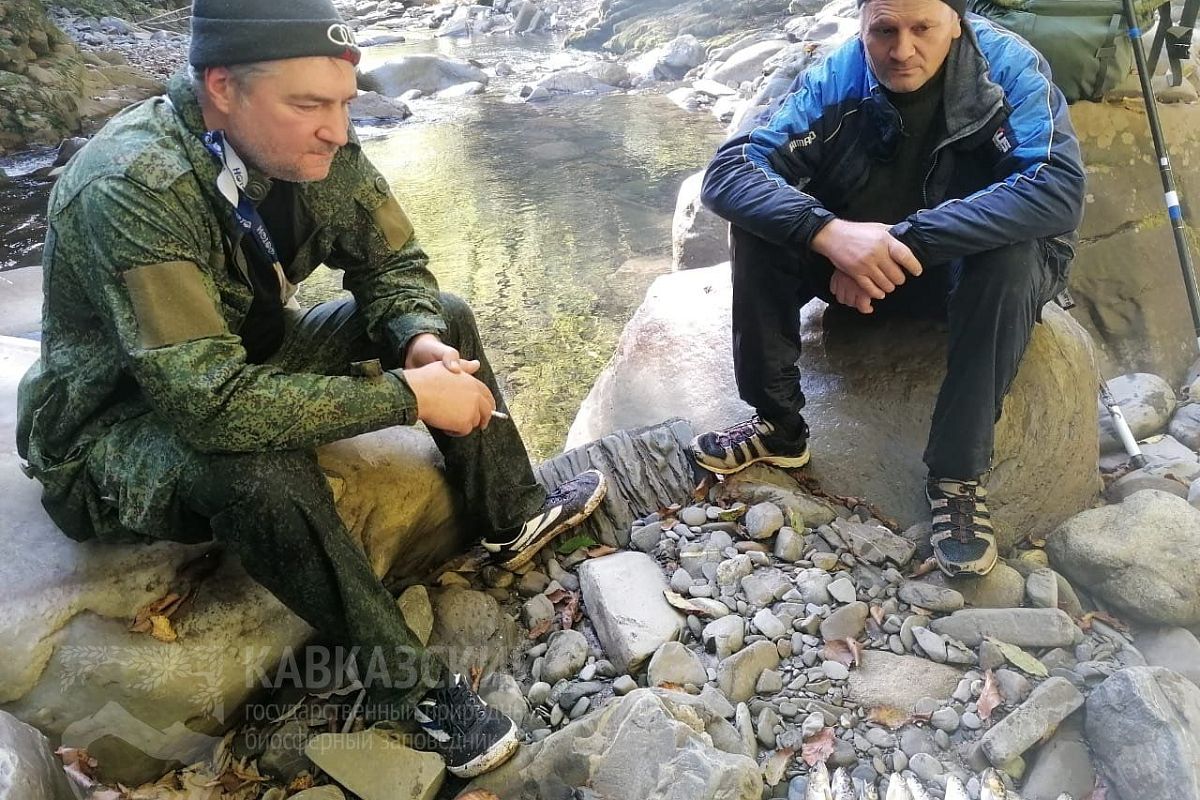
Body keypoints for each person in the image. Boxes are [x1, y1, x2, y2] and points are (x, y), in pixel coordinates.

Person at [15, 0, 607, 779]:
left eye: (344, 103)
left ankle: (510, 514)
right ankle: (407, 686)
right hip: (114, 426)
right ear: (222, 88)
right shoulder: (133, 185)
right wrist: (409, 397)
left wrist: (417, 339)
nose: (336, 128)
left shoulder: (315, 144)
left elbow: (391, 267)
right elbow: (211, 406)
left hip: (249, 358)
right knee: (254, 466)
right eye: (308, 105)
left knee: (449, 316)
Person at [689, 0, 1086, 577]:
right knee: (757, 224)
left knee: (1012, 254)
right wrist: (828, 236)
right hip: (858, 264)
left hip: (964, 269)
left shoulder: (1008, 68)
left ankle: (957, 479)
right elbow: (731, 172)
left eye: (923, 28)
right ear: (862, 25)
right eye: (885, 30)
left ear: (956, 20)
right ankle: (778, 425)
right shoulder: (836, 74)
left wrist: (905, 243)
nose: (902, 50)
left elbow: (1056, 186)